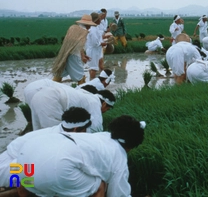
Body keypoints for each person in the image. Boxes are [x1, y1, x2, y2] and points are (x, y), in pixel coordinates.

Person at [16, 115, 145, 197]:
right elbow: (118, 193)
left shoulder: (99, 137)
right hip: (57, 170)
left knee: (32, 181)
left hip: (22, 159)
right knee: (99, 186)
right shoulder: (120, 156)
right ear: (131, 146)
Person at [0, 107, 92, 188]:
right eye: (84, 131)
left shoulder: (60, 129)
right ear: (76, 129)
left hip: (17, 160)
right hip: (9, 168)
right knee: (45, 180)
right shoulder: (57, 140)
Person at [26, 79, 115, 132]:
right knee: (54, 136)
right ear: (104, 104)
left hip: (38, 96)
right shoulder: (95, 102)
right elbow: (96, 128)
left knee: (39, 133)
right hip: (51, 99)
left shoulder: (85, 96)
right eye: (106, 109)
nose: (104, 112)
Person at [52, 14, 96, 84]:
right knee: (81, 77)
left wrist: (83, 55)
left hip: (66, 55)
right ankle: (83, 92)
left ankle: (51, 87)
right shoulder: (83, 32)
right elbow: (79, 45)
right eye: (90, 25)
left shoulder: (73, 29)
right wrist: (82, 57)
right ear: (87, 25)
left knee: (59, 73)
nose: (90, 27)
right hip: (74, 56)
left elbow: (76, 45)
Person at [86, 12, 108, 80]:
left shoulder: (95, 28)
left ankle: (91, 82)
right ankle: (92, 83)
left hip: (95, 50)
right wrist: (102, 44)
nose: (100, 20)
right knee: (93, 68)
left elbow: (98, 40)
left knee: (93, 67)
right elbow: (95, 43)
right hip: (93, 51)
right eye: (99, 19)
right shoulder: (93, 30)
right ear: (95, 20)